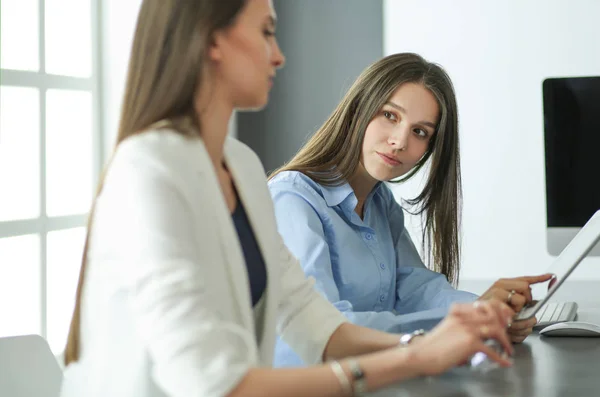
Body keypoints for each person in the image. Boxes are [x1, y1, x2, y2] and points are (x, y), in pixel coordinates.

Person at [59, 2, 515, 397]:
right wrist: (413, 358)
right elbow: (217, 385)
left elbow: (311, 320)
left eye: (419, 133)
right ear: (212, 40)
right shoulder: (148, 173)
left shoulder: (239, 165)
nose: (278, 55)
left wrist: (435, 339)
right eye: (266, 32)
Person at [267, 53, 552, 367]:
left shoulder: (380, 202)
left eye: (420, 132)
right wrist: (462, 324)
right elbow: (329, 329)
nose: (399, 141)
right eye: (390, 115)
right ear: (359, 108)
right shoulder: (292, 199)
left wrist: (487, 312)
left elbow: (415, 287)